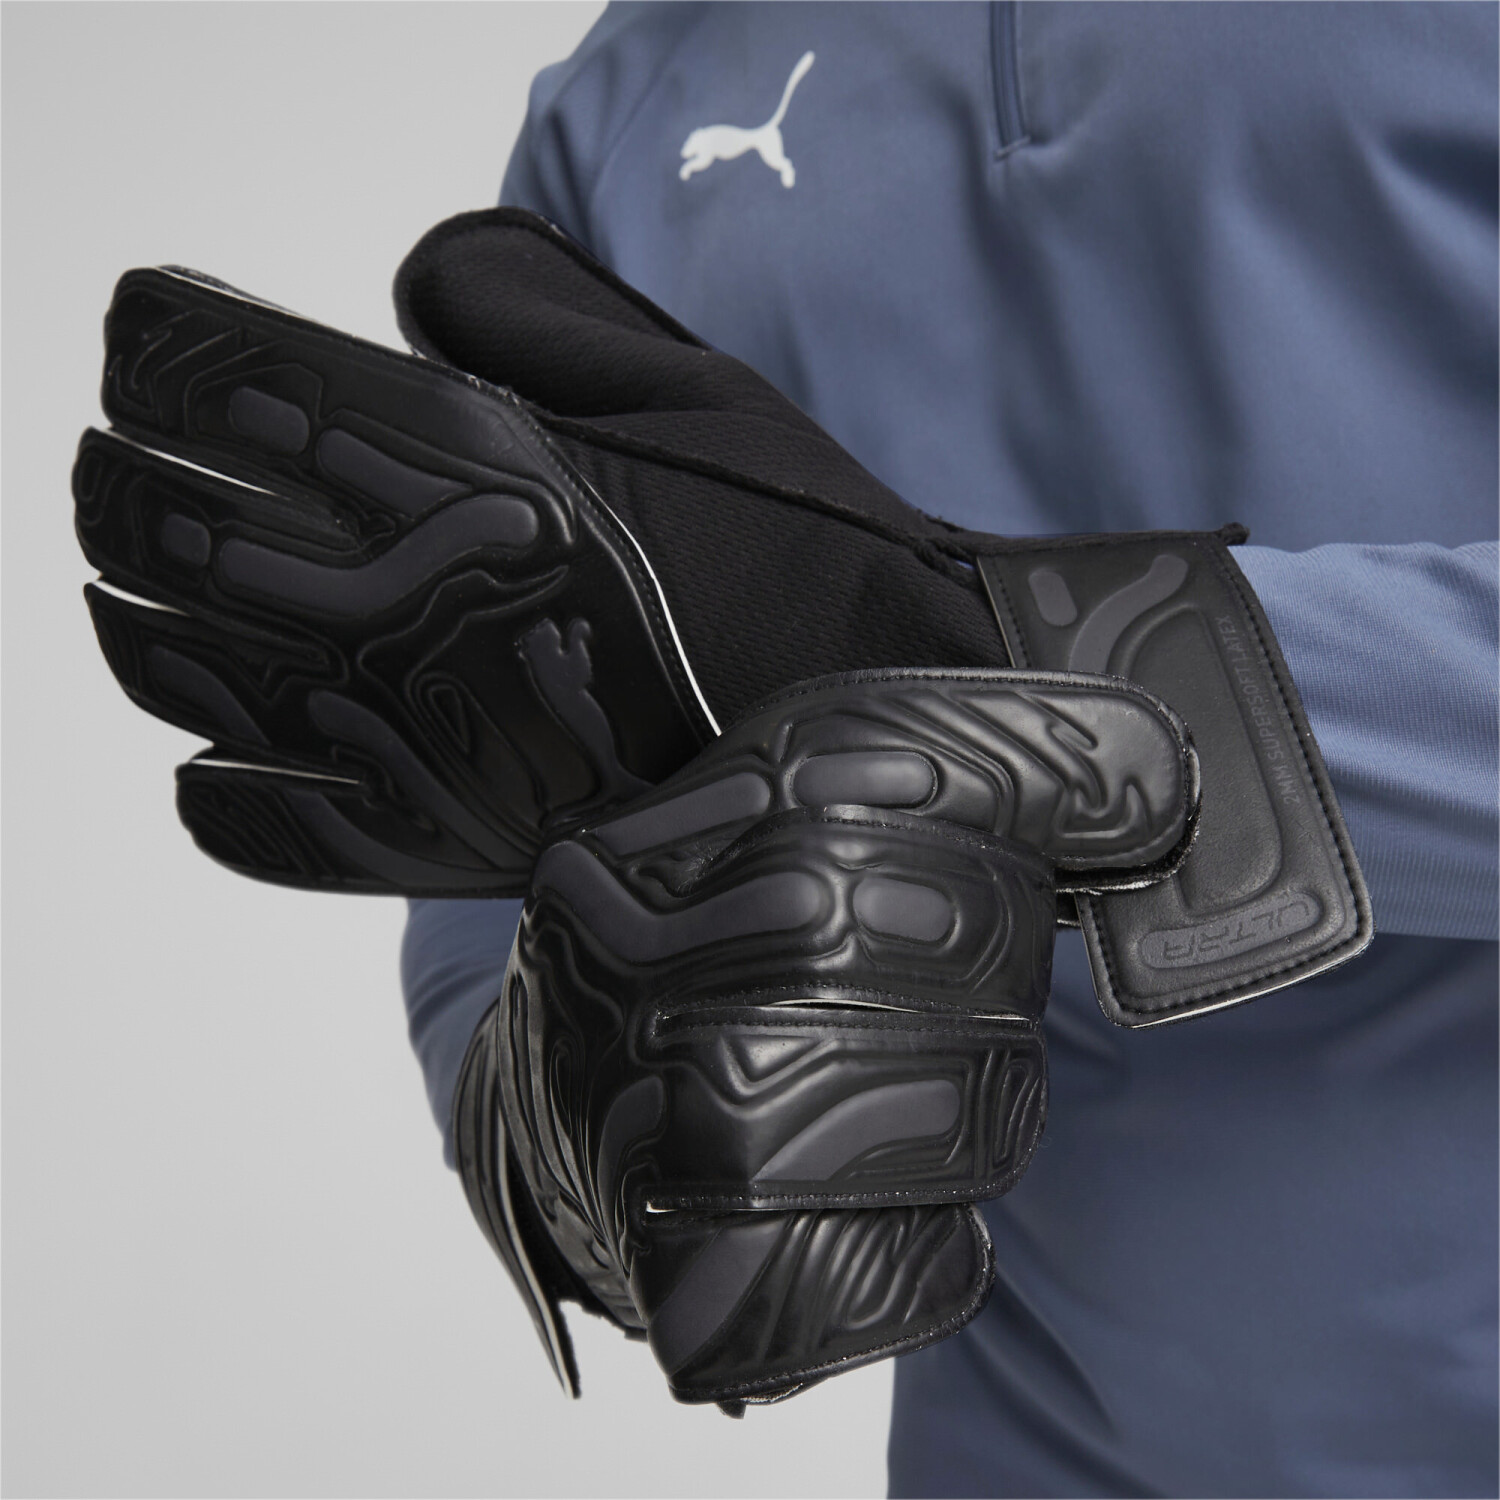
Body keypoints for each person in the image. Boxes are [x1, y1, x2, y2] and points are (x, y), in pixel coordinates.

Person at [400, 5, 1499, 1494]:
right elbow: (500, 809)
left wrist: (1021, 674)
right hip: (1029, 1442)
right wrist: (569, 1136)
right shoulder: (622, 104)